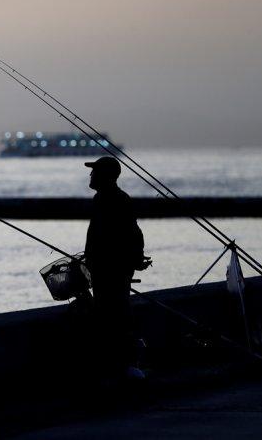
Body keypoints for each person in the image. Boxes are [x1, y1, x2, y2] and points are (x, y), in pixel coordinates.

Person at [83, 156, 146, 376]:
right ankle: (120, 364)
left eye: (94, 171)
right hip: (106, 269)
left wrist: (132, 260)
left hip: (111, 271)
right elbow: (135, 234)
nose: (90, 175)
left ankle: (121, 365)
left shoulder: (112, 200)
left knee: (114, 315)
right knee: (113, 313)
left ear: (106, 176)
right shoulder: (109, 198)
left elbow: (132, 234)